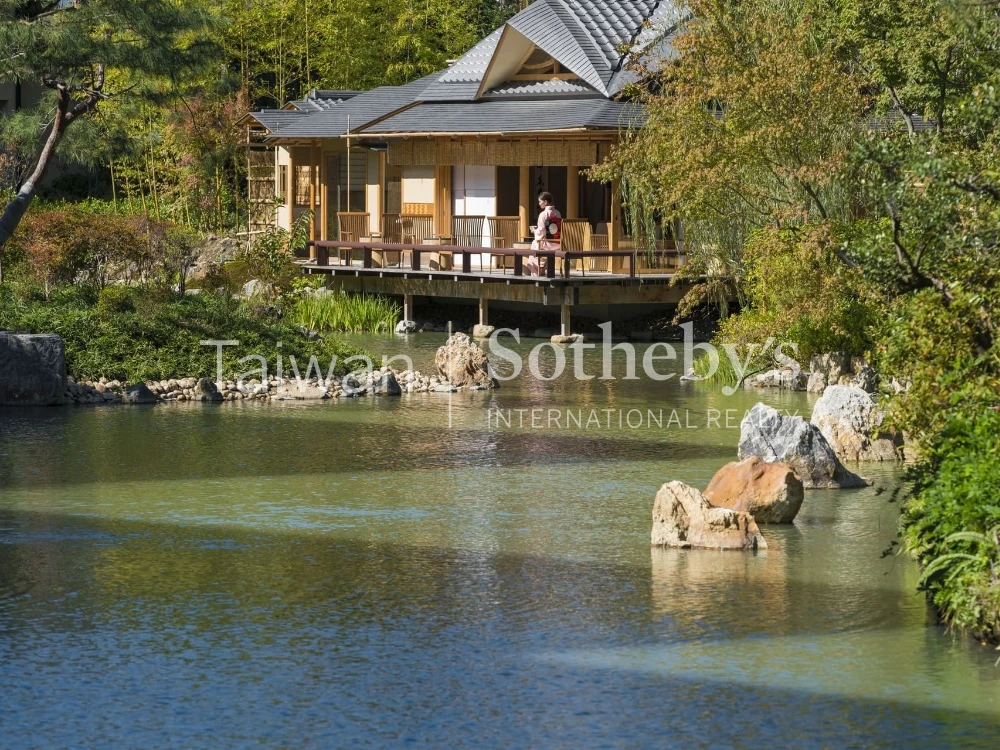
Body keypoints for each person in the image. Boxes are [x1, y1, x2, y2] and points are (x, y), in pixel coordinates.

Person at [526, 192, 561, 276]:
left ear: (545, 202)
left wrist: (534, 231)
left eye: (540, 201)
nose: (539, 203)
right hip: (557, 243)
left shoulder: (543, 214)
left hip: (548, 244)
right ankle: (542, 269)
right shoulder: (557, 213)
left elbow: (541, 231)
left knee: (535, 244)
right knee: (536, 244)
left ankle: (536, 272)